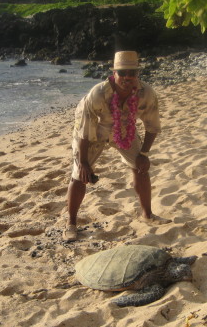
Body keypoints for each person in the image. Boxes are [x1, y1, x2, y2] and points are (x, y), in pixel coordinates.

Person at [63, 50, 171, 241]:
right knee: (79, 175)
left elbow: (152, 126)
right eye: (122, 73)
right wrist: (83, 162)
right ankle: (71, 223)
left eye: (132, 73)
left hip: (124, 128)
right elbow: (84, 130)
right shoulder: (97, 94)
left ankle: (147, 214)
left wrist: (144, 154)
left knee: (141, 168)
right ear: (114, 74)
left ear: (138, 74)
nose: (127, 77)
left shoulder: (146, 93)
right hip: (93, 131)